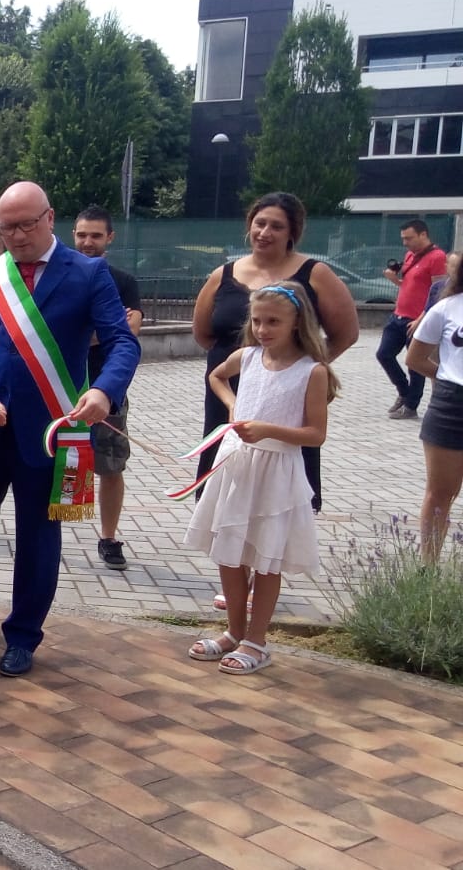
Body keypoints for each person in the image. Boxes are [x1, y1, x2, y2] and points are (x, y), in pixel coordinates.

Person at [0, 181, 139, 677]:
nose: (16, 236)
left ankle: (22, 636)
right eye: (6, 228)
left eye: (26, 225)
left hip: (52, 431)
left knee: (38, 539)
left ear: (50, 218)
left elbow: (123, 342)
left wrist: (105, 392)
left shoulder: (88, 273)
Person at [185, 281, 335, 675]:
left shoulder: (311, 371)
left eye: (273, 322)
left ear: (296, 322)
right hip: (238, 465)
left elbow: (316, 434)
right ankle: (234, 631)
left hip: (277, 474)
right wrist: (233, 406)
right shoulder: (248, 357)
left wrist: (268, 429)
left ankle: (257, 640)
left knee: (267, 559)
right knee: (230, 553)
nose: (263, 329)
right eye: (257, 320)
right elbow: (217, 376)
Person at [192, 192, 358, 512]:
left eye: (277, 226)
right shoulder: (223, 274)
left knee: (277, 490)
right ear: (249, 225)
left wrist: (300, 371)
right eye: (260, 223)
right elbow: (203, 333)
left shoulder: (315, 274)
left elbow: (346, 334)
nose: (265, 232)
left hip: (286, 394)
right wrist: (245, 371)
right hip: (231, 389)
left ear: (293, 232)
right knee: (223, 487)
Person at [72, 206, 143, 572]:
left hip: (105, 389)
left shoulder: (123, 282)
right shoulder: (61, 278)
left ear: (109, 238)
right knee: (54, 463)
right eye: (82, 234)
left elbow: (130, 333)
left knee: (111, 466)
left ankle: (109, 537)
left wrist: (85, 334)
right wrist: (101, 331)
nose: (88, 242)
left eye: (96, 235)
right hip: (60, 388)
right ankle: (45, 531)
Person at [408, 260, 463, 563]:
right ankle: (428, 569)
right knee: (440, 493)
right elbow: (415, 358)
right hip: (451, 406)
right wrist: (446, 379)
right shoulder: (446, 308)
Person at [378, 220, 448, 420]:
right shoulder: (409, 255)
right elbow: (410, 285)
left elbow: (438, 292)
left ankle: (411, 405)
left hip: (417, 318)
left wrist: (421, 318)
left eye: (409, 238)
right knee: (384, 354)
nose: (405, 243)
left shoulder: (437, 257)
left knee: (415, 363)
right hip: (398, 315)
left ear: (423, 234)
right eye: (403, 239)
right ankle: (404, 391)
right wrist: (395, 280)